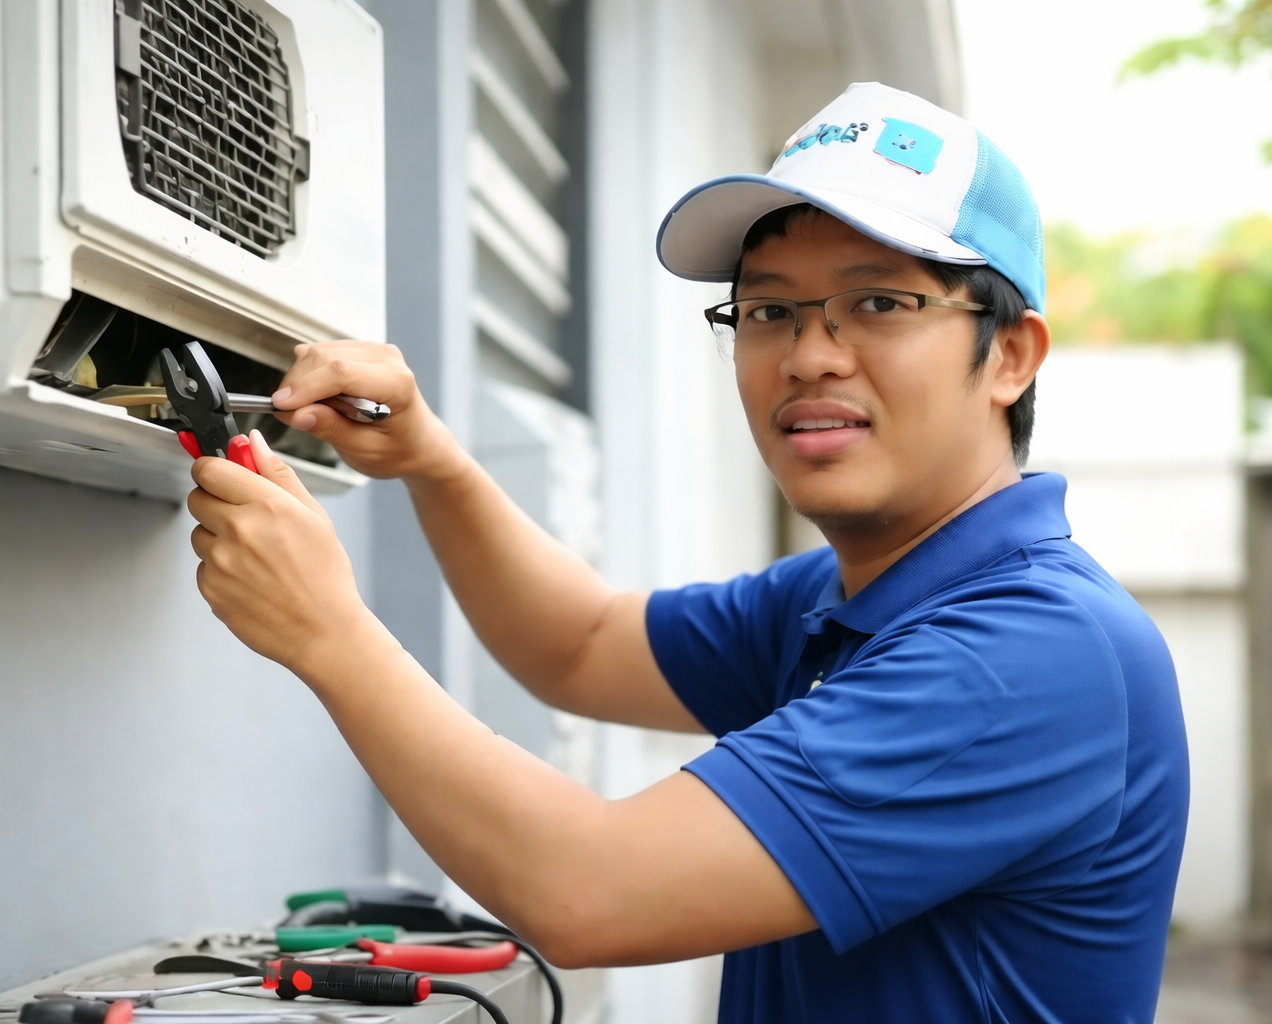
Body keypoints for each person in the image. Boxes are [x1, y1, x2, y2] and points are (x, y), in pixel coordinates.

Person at [184, 82, 1188, 1022]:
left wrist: (328, 632)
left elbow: (588, 892)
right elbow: (579, 642)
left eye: (879, 302)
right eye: (767, 311)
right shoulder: (854, 600)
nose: (808, 355)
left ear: (1009, 353)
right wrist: (435, 461)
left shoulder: (1025, 655)